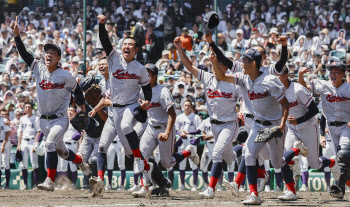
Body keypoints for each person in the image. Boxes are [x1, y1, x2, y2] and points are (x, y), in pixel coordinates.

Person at [11, 16, 90, 192]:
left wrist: (83, 112)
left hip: (60, 119)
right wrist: (17, 35)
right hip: (43, 121)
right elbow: (24, 54)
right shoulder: (38, 68)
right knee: (61, 151)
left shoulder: (65, 75)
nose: (48, 55)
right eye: (47, 52)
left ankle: (49, 180)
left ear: (59, 58)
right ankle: (80, 162)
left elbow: (78, 92)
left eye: (52, 53)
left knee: (49, 145)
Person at [89, 15, 153, 197]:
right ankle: (144, 170)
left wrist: (147, 101)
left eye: (131, 45)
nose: (127, 47)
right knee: (121, 150)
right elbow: (103, 40)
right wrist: (101, 25)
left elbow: (147, 89)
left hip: (130, 106)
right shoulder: (113, 57)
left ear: (136, 49)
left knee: (126, 126)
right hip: (114, 110)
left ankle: (142, 171)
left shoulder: (140, 68)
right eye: (125, 44)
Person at [174, 36, 240, 198]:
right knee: (229, 157)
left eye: (220, 63)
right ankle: (245, 153)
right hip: (214, 125)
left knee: (217, 154)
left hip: (229, 124)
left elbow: (246, 99)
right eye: (214, 63)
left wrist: (243, 111)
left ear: (226, 67)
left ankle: (211, 189)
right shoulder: (208, 78)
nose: (215, 65)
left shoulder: (234, 82)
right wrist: (179, 49)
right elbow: (189, 66)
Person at [134, 63, 199, 197]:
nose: (145, 76)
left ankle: (188, 152)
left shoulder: (162, 91)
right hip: (151, 128)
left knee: (166, 163)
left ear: (154, 76)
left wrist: (168, 133)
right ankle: (144, 187)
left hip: (165, 128)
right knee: (141, 156)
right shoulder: (141, 90)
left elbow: (172, 115)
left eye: (148, 73)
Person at [278, 66, 340, 199]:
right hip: (292, 128)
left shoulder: (298, 89)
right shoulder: (277, 90)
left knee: (314, 164)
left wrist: (298, 120)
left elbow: (314, 111)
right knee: (285, 157)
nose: (276, 78)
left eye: (278, 75)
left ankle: (333, 164)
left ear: (286, 75)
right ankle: (290, 189)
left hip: (308, 127)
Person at [298, 62, 350, 199]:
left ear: (343, 74)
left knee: (344, 154)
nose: (332, 74)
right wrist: (300, 76)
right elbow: (303, 88)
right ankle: (344, 185)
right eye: (331, 72)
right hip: (331, 127)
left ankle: (339, 188)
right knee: (341, 159)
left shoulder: (348, 88)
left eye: (336, 72)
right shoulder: (323, 85)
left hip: (346, 126)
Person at [17, 102, 41, 190]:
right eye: (26, 107)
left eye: (29, 107)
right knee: (24, 164)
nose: (27, 108)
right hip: (24, 142)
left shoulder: (36, 118)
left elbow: (38, 131)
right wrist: (18, 145)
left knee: (34, 164)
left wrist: (36, 143)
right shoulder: (22, 118)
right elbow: (20, 132)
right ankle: (25, 184)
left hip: (32, 141)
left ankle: (36, 184)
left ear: (32, 108)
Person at [57, 106, 81, 190]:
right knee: (63, 166)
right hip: (64, 144)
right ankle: (65, 184)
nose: (70, 112)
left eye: (72, 110)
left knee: (73, 166)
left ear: (75, 113)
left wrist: (79, 148)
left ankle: (73, 184)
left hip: (73, 144)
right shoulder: (63, 121)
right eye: (69, 110)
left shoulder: (77, 122)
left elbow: (81, 135)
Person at [0, 109, 11, 189]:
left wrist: (3, 145)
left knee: (5, 163)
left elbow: (8, 132)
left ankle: (7, 184)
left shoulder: (3, 120)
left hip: (4, 142)